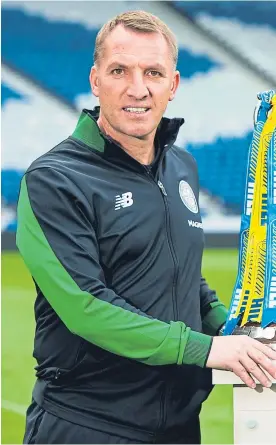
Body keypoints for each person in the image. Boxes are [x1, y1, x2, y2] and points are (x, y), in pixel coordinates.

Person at [17, 10, 276, 445]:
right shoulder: (54, 179)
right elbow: (86, 307)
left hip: (178, 426)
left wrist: (238, 331)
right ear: (96, 79)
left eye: (153, 72)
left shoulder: (181, 166)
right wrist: (210, 350)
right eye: (120, 70)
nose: (138, 89)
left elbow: (184, 282)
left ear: (173, 85)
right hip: (88, 425)